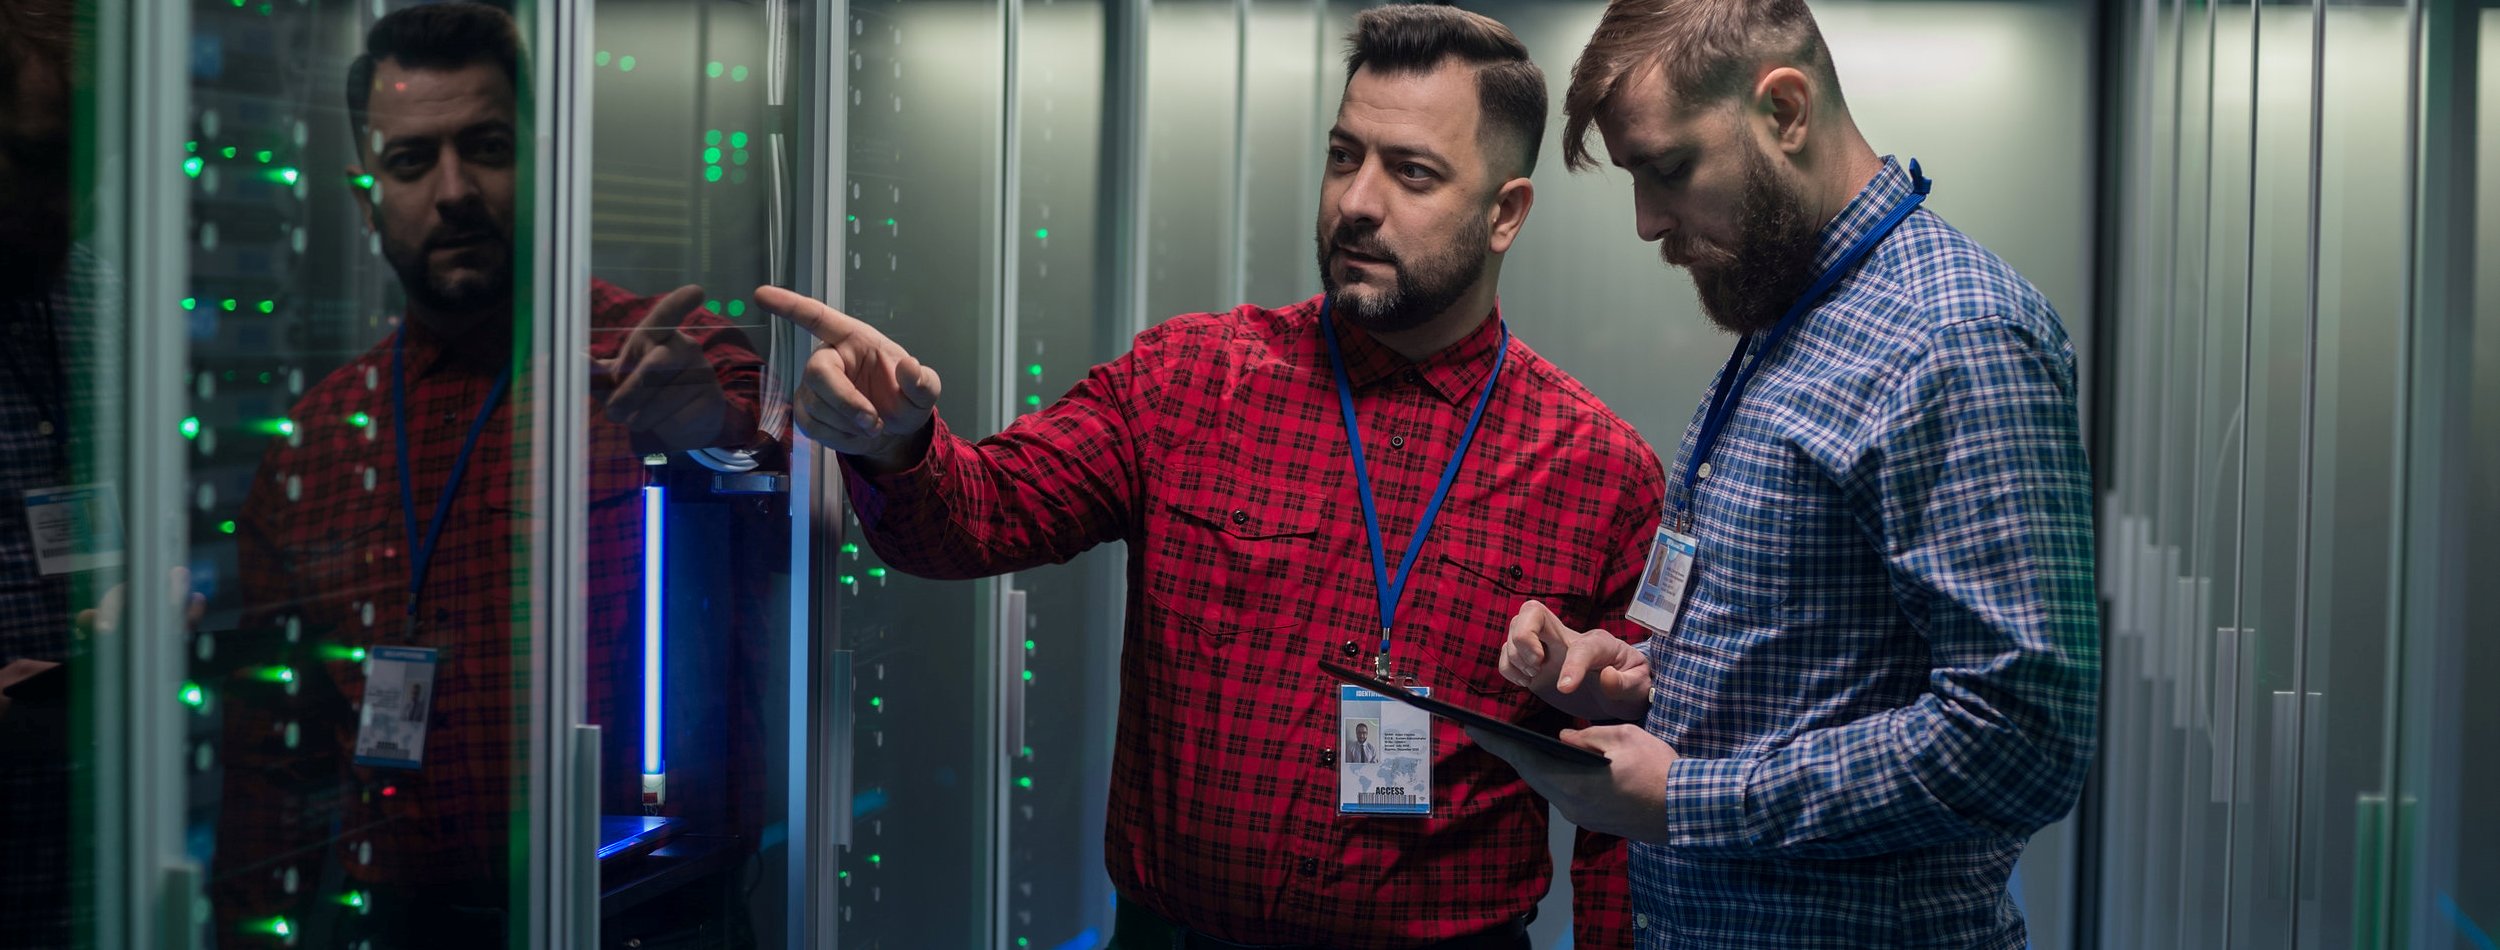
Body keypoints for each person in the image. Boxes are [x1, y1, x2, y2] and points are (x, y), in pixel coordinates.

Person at [764, 6, 1663, 948]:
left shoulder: (1599, 472)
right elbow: (975, 520)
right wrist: (897, 441)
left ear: (1505, 213)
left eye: (1412, 172)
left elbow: (1622, 808)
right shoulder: (1189, 380)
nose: (1357, 201)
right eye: (1343, 155)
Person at [1465, 3, 2098, 948]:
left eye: (1668, 170)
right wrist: (1635, 680)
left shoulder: (1953, 337)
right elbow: (1815, 661)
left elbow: (2020, 741)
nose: (1646, 223)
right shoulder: (1792, 310)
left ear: (1787, 111)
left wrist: (1688, 798)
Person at [210, 5, 772, 946]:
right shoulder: (314, 441)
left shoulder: (652, 362)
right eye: (410, 161)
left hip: (644, 917)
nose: (454, 190)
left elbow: (787, 464)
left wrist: (709, 428)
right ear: (365, 199)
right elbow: (273, 766)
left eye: (487, 146)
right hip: (407, 924)